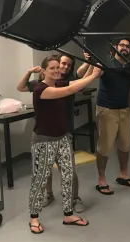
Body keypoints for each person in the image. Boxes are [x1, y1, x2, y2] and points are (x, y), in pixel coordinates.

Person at [28, 55, 101, 234]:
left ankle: (68, 214)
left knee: (68, 176)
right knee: (40, 179)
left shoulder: (60, 84)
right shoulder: (40, 89)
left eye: (57, 68)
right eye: (52, 68)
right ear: (43, 70)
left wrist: (92, 67)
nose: (56, 70)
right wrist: (94, 76)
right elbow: (68, 92)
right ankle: (34, 218)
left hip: (63, 139)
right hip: (44, 141)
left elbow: (78, 83)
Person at [17, 54, 89, 212]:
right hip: (45, 134)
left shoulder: (64, 80)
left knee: (69, 169)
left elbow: (78, 79)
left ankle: (75, 198)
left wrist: (89, 65)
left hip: (65, 130)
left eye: (66, 65)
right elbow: (21, 87)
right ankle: (49, 194)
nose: (62, 68)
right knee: (46, 168)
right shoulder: (41, 85)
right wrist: (30, 72)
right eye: (58, 65)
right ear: (44, 71)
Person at [83, 38, 130, 195]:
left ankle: (123, 174)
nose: (125, 48)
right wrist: (89, 63)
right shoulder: (107, 63)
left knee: (125, 145)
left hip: (124, 110)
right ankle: (101, 180)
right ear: (116, 47)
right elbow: (90, 76)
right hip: (106, 110)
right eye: (122, 45)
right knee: (105, 146)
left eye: (127, 46)